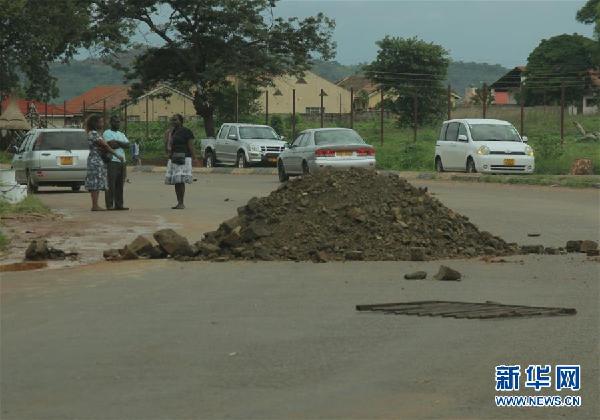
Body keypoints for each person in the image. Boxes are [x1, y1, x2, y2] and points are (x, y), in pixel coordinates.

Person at [84, 114, 123, 211]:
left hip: (96, 160)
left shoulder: (95, 133)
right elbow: (105, 145)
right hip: (95, 160)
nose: (103, 123)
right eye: (101, 122)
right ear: (95, 123)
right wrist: (116, 155)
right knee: (95, 183)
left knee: (96, 183)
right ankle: (95, 205)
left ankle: (95, 205)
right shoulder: (93, 133)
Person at [164, 114, 199, 209]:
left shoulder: (186, 131)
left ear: (181, 121)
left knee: (181, 181)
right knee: (176, 181)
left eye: (175, 120)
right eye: (172, 120)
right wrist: (168, 135)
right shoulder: (172, 132)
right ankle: (179, 202)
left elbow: (191, 146)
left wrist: (194, 158)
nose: (173, 122)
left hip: (184, 158)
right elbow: (167, 146)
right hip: (174, 157)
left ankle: (181, 203)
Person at [103, 116, 129, 210]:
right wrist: (121, 143)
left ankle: (119, 204)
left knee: (120, 184)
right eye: (115, 122)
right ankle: (110, 205)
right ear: (111, 123)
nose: (118, 124)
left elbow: (128, 145)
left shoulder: (121, 133)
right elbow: (110, 145)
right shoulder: (107, 133)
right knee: (111, 184)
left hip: (122, 161)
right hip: (112, 161)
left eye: (119, 122)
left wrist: (117, 142)